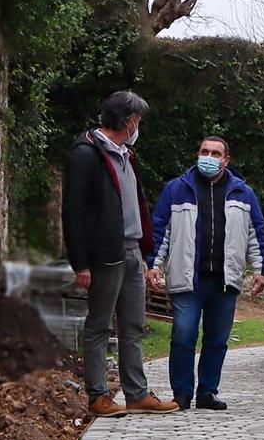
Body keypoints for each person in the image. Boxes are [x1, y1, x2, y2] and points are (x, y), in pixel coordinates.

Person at [62, 91, 179, 418]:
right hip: (104, 254)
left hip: (131, 251)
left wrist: (143, 254)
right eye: (137, 121)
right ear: (128, 121)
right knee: (99, 324)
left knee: (133, 325)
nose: (138, 126)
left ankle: (137, 392)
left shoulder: (126, 155)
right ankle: (98, 395)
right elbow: (72, 211)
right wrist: (80, 261)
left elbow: (134, 205)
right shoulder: (87, 154)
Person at [147, 136, 264, 410]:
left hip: (224, 280)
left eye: (215, 153)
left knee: (217, 339)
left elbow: (256, 232)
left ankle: (208, 392)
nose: (209, 157)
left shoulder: (242, 193)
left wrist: (260, 269)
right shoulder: (177, 189)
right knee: (183, 335)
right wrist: (153, 264)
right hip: (187, 278)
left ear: (226, 160)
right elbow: (160, 231)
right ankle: (181, 393)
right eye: (204, 151)